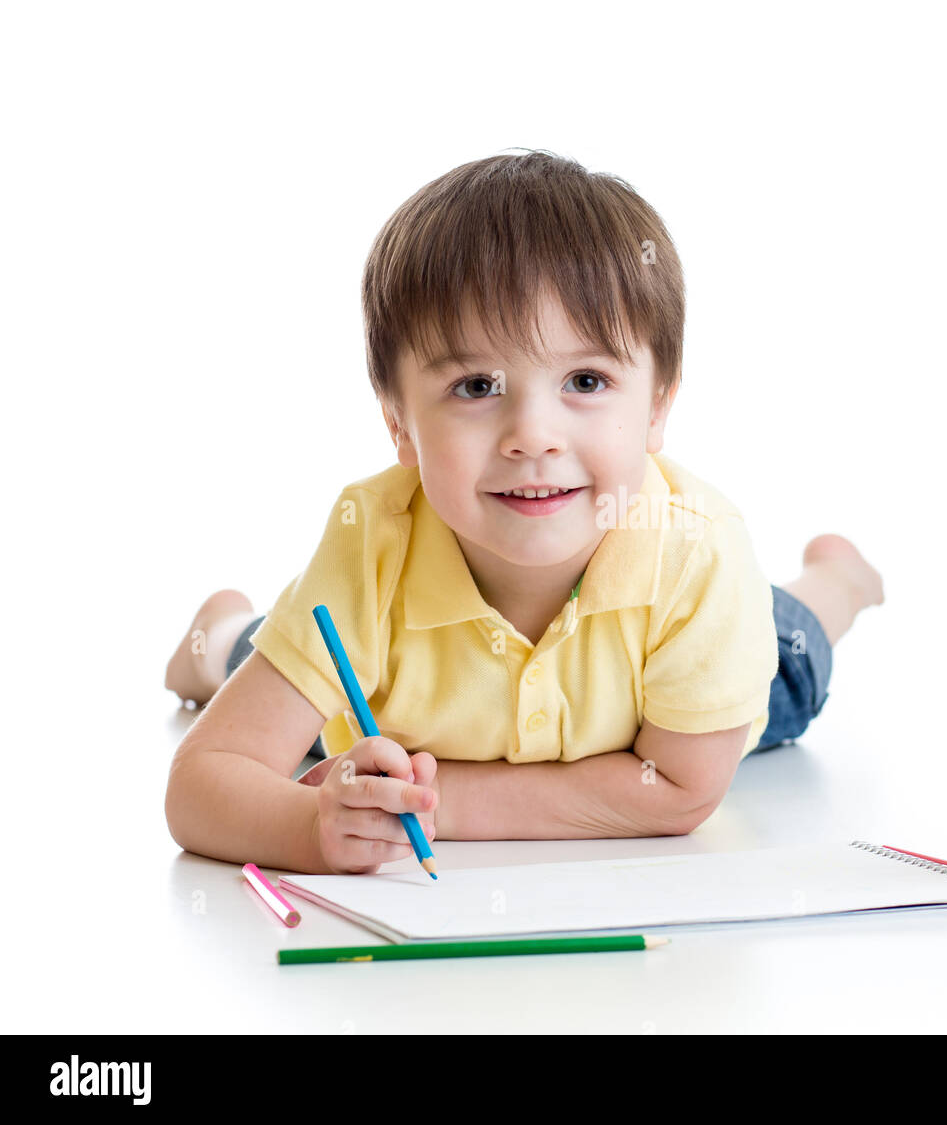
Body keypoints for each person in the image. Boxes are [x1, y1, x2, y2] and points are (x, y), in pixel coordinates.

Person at [164, 150, 883, 874]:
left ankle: (839, 577)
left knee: (794, 646)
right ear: (399, 423)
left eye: (585, 379)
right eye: (477, 385)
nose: (533, 436)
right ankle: (218, 634)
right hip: (393, 712)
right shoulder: (369, 550)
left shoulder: (699, 557)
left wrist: (433, 806)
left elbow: (676, 792)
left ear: (658, 406)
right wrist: (313, 824)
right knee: (273, 658)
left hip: (667, 714)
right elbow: (203, 783)